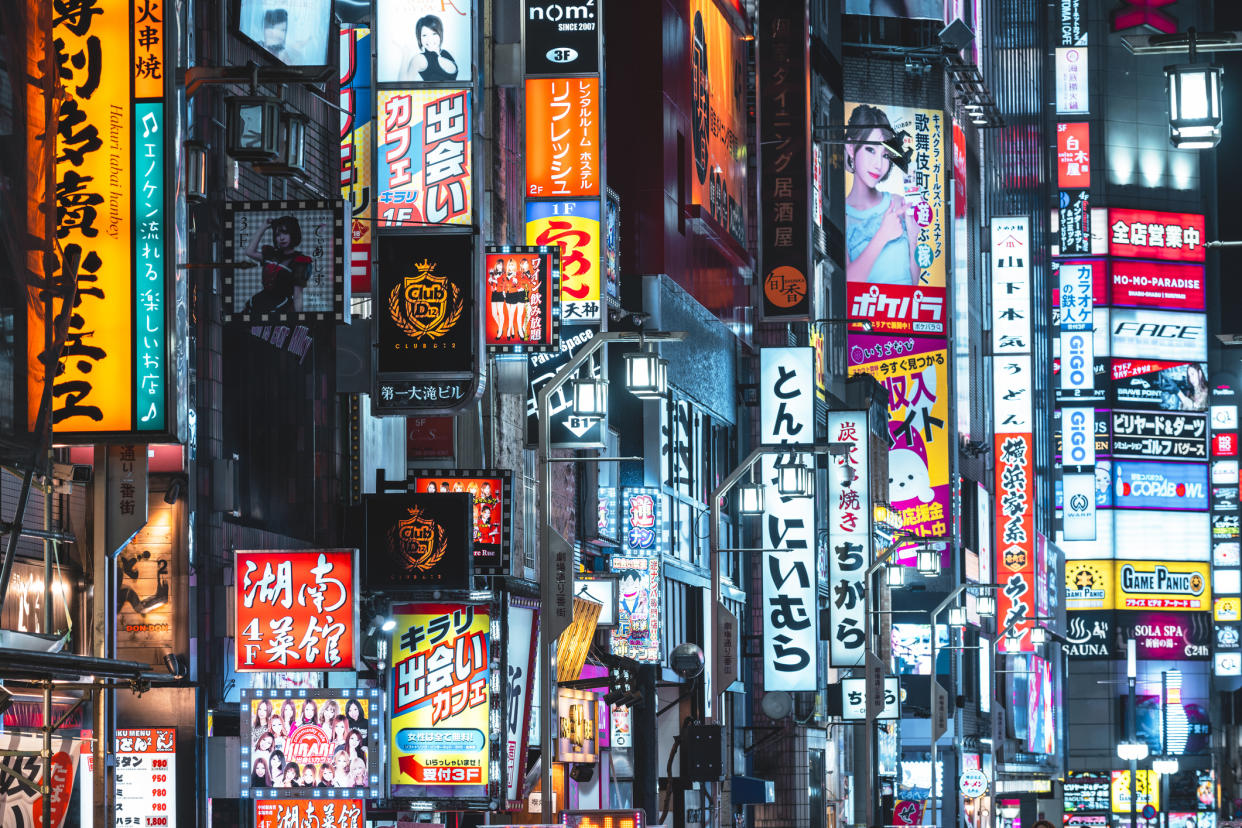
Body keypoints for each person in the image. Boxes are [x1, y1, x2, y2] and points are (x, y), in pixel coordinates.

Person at [844, 104, 919, 286]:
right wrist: (883, 235)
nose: (878, 164)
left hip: (903, 310)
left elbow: (914, 282)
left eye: (885, 155)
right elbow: (847, 281)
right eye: (870, 150)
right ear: (851, 148)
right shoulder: (842, 215)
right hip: (863, 310)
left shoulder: (898, 203)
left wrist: (914, 237)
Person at [242, 215, 312, 313]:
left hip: (282, 305)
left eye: (285, 233)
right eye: (278, 235)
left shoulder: (300, 261)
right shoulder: (271, 254)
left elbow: (298, 295)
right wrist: (263, 227)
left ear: (293, 234)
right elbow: (249, 252)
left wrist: (298, 319)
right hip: (260, 300)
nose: (281, 238)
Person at [402, 15, 458, 82]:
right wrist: (405, 56)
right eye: (424, 35)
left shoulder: (448, 53)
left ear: (440, 33)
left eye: (434, 34)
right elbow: (403, 85)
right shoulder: (419, 59)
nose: (430, 39)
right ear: (419, 38)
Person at [488, 258, 508, 342]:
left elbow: (504, 284)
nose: (499, 266)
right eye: (498, 264)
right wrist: (490, 279)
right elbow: (491, 285)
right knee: (494, 313)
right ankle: (501, 326)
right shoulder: (493, 274)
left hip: (500, 293)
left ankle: (500, 331)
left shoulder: (504, 274)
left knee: (500, 312)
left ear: (503, 266)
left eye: (501, 264)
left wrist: (494, 279)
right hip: (494, 293)